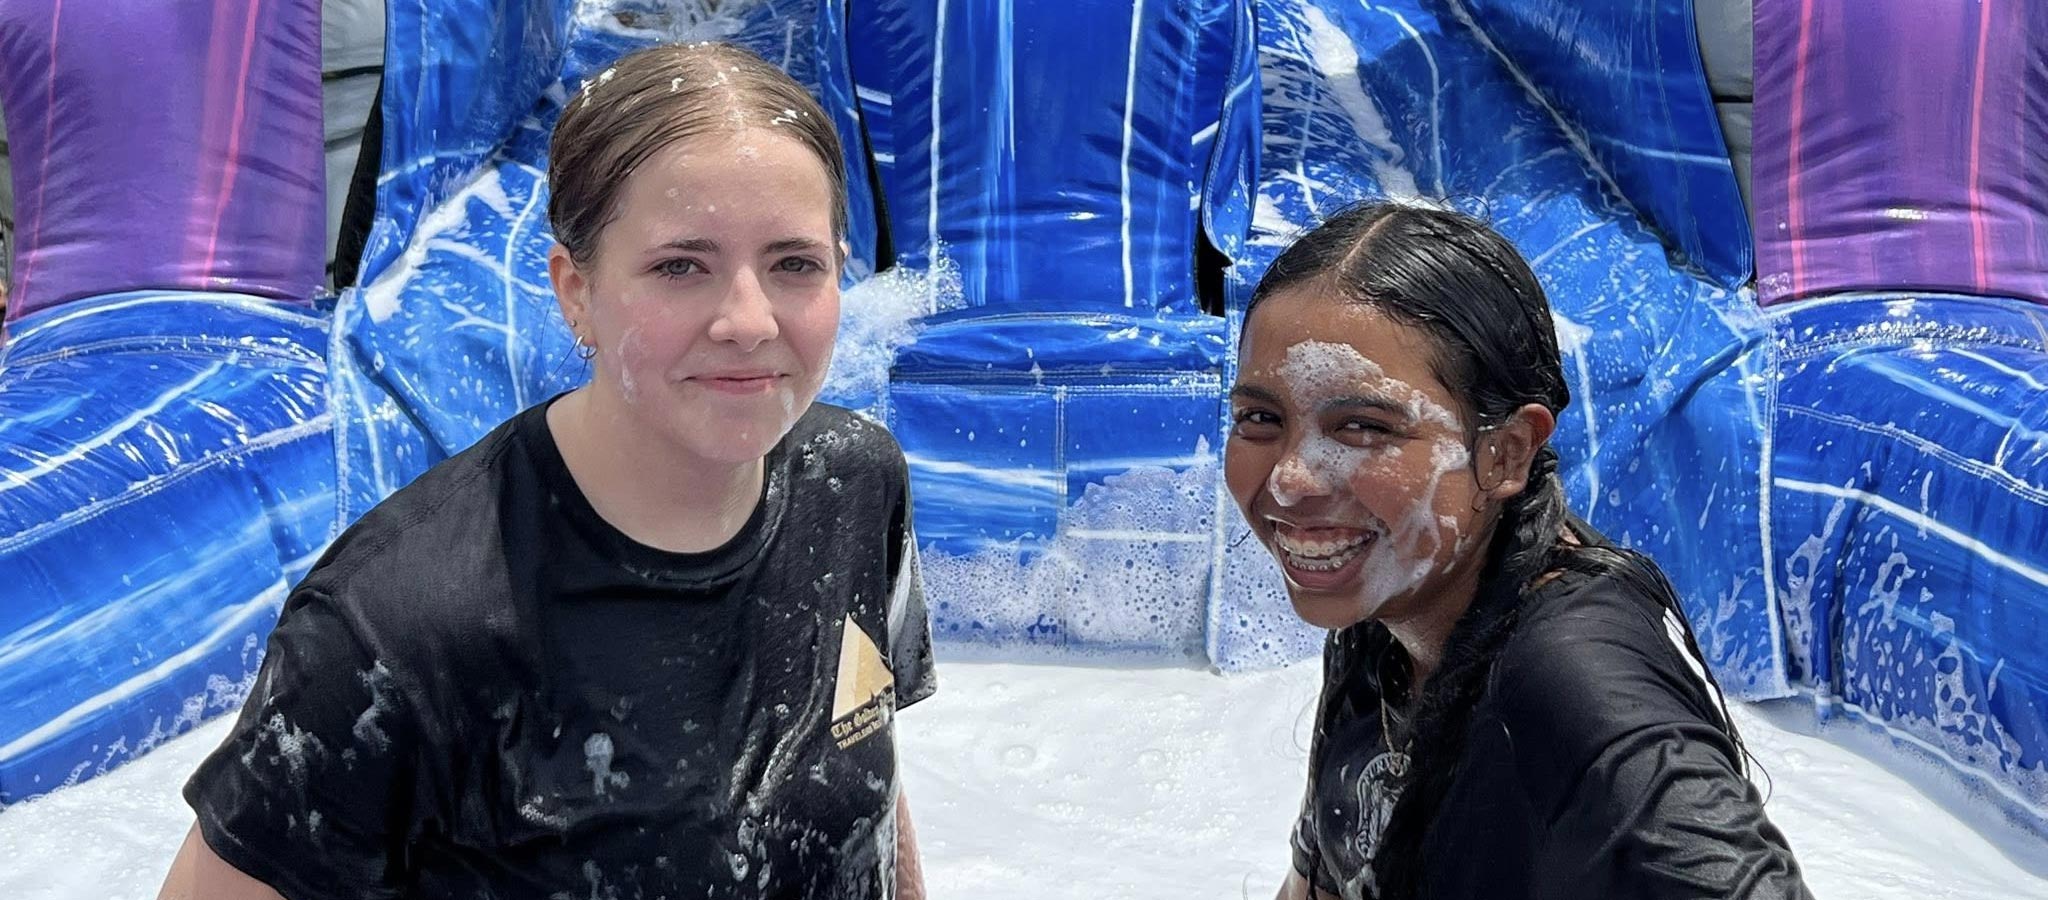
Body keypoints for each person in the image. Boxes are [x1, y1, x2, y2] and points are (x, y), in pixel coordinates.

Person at [159, 41, 935, 900]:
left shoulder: (855, 482)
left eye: (795, 263)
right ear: (575, 292)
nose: (749, 321)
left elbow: (866, 788)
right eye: (681, 266)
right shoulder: (398, 629)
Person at [1226, 202, 1811, 900]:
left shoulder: (1572, 683)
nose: (1290, 480)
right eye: (1260, 417)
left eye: (1362, 427)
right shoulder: (1391, 613)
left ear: (1505, 453)